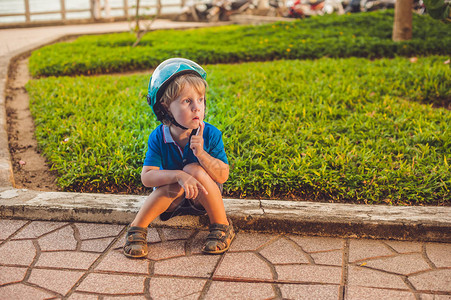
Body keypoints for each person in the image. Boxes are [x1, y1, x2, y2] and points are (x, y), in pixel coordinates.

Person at [123, 58, 235, 258]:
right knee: (177, 180)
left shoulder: (210, 134)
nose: (197, 108)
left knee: (193, 169)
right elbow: (147, 177)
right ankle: (137, 228)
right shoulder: (158, 137)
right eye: (187, 101)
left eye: (200, 100)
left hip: (204, 198)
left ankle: (222, 225)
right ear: (165, 107)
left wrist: (201, 154)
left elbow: (223, 175)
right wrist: (178, 175)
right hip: (173, 199)